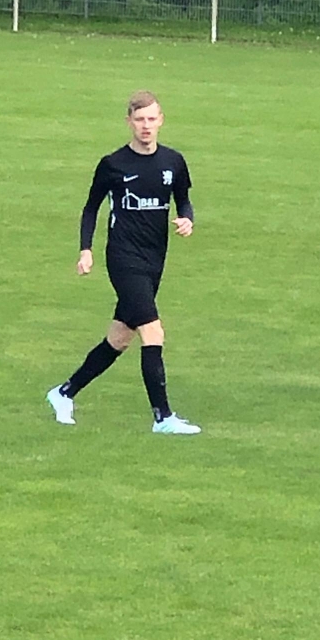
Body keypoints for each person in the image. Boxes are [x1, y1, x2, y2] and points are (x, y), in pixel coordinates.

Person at [46, 90, 201, 435]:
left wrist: (187, 219)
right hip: (122, 258)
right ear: (129, 122)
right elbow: (91, 208)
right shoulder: (113, 164)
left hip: (154, 259)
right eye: (139, 119)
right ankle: (163, 418)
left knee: (119, 338)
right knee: (153, 331)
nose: (146, 126)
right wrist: (86, 249)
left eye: (151, 119)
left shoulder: (173, 162)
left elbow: (184, 200)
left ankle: (64, 393)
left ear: (161, 121)